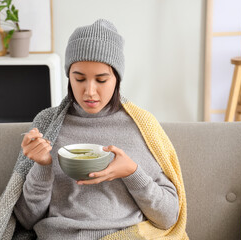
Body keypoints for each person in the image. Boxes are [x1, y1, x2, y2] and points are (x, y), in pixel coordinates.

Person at [11, 19, 187, 240]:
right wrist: (43, 166)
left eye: (101, 80)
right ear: (69, 77)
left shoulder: (141, 126)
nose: (90, 92)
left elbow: (169, 217)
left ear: (117, 79)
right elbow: (26, 219)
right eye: (80, 79)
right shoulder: (47, 124)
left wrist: (132, 173)